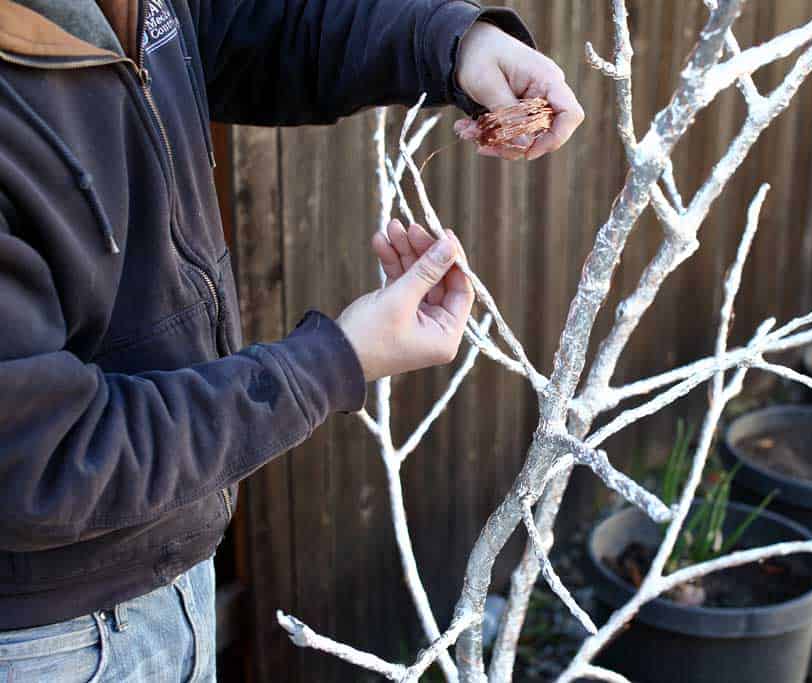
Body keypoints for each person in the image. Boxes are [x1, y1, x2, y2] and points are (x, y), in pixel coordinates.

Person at [0, 1, 583, 680]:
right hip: (51, 637)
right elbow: (45, 461)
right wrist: (335, 361)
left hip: (168, 563)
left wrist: (456, 45)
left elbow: (252, 26)